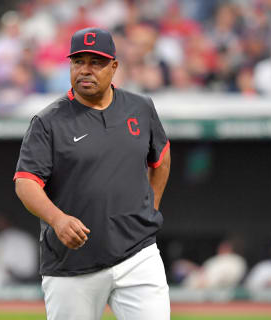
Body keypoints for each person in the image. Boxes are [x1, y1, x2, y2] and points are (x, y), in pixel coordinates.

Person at [14, 27, 171, 320]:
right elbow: (26, 183)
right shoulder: (48, 121)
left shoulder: (140, 107)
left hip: (138, 255)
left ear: (114, 66)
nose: (85, 70)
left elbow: (160, 158)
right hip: (72, 264)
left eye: (95, 62)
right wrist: (57, 219)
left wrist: (152, 205)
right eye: (78, 61)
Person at [173, 237, 247, 289]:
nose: (222, 249)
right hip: (197, 286)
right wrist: (189, 266)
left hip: (216, 290)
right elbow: (202, 270)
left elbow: (229, 277)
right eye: (221, 247)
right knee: (180, 267)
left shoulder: (235, 260)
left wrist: (209, 282)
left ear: (231, 248)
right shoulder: (214, 260)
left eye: (225, 247)